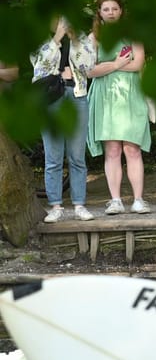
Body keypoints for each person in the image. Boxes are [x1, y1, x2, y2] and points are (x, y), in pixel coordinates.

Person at [87, 0, 151, 215]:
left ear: (121, 11)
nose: (111, 13)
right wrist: (116, 63)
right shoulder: (93, 38)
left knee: (132, 148)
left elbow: (138, 64)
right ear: (100, 12)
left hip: (131, 94)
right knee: (112, 150)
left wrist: (107, 66)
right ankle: (115, 200)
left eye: (114, 8)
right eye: (106, 9)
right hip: (105, 96)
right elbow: (88, 70)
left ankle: (139, 199)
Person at [31, 17, 96, 222]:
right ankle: (56, 206)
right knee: (53, 157)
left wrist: (74, 39)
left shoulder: (82, 37)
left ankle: (79, 204)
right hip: (50, 98)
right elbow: (40, 66)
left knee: (77, 156)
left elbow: (88, 65)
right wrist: (57, 38)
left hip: (77, 95)